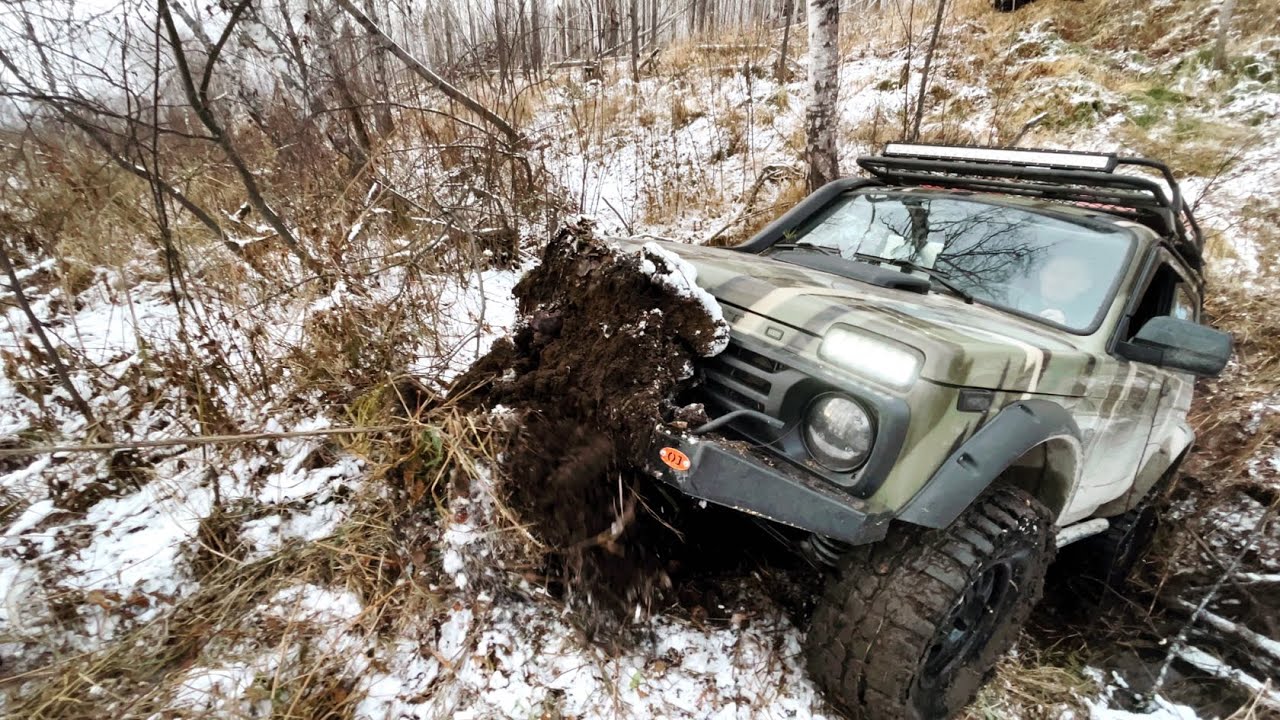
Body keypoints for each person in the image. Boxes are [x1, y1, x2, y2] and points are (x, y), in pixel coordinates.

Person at [1034, 254, 1094, 326]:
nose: (1060, 280)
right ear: (1041, 274)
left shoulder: (1088, 323)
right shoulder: (1018, 302)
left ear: (1086, 285)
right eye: (1055, 272)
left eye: (1071, 276)